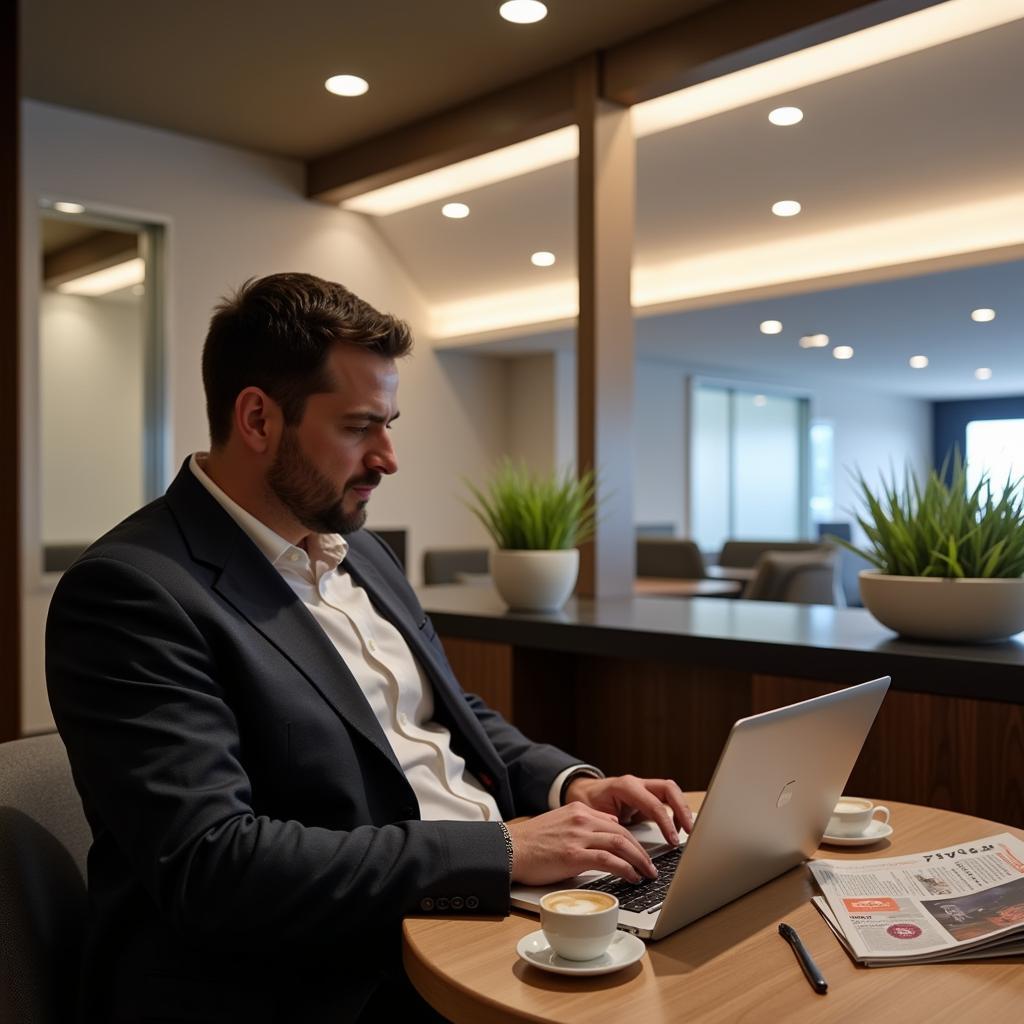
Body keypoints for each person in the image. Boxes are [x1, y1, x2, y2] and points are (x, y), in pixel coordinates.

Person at [46, 272, 692, 1023]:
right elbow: (214, 866)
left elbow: (441, 713)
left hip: (475, 909)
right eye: (359, 427)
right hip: (323, 978)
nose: (388, 456)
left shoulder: (361, 549)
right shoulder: (133, 592)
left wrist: (568, 787)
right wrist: (505, 851)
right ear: (257, 418)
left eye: (389, 423)